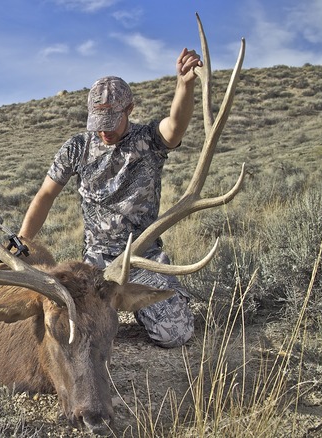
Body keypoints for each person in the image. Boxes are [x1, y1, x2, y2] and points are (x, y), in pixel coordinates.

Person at [18, 48, 203, 348]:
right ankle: (111, 311)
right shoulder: (77, 147)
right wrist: (22, 243)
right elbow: (46, 195)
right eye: (98, 121)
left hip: (143, 257)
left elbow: (175, 126)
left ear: (129, 109)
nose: (104, 130)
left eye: (112, 120)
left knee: (175, 335)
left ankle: (137, 307)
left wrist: (185, 85)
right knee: (72, 336)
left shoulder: (148, 140)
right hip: (95, 262)